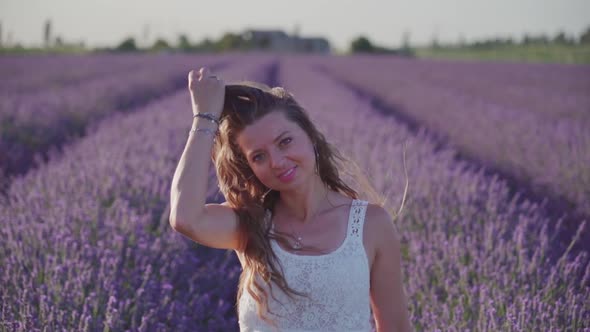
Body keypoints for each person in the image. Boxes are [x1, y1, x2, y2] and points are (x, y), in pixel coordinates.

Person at [169, 67, 413, 332]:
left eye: (285, 142)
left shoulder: (371, 224)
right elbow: (185, 218)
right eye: (258, 156)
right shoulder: (251, 224)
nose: (276, 162)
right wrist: (204, 120)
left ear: (311, 136)